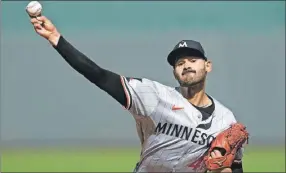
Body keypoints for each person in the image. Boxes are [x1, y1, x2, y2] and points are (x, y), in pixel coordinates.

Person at [29, 16, 245, 172]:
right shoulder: (156, 96)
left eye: (193, 60)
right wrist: (56, 39)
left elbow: (235, 166)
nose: (186, 65)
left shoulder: (226, 120)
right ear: (174, 71)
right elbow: (100, 76)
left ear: (207, 66)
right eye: (180, 62)